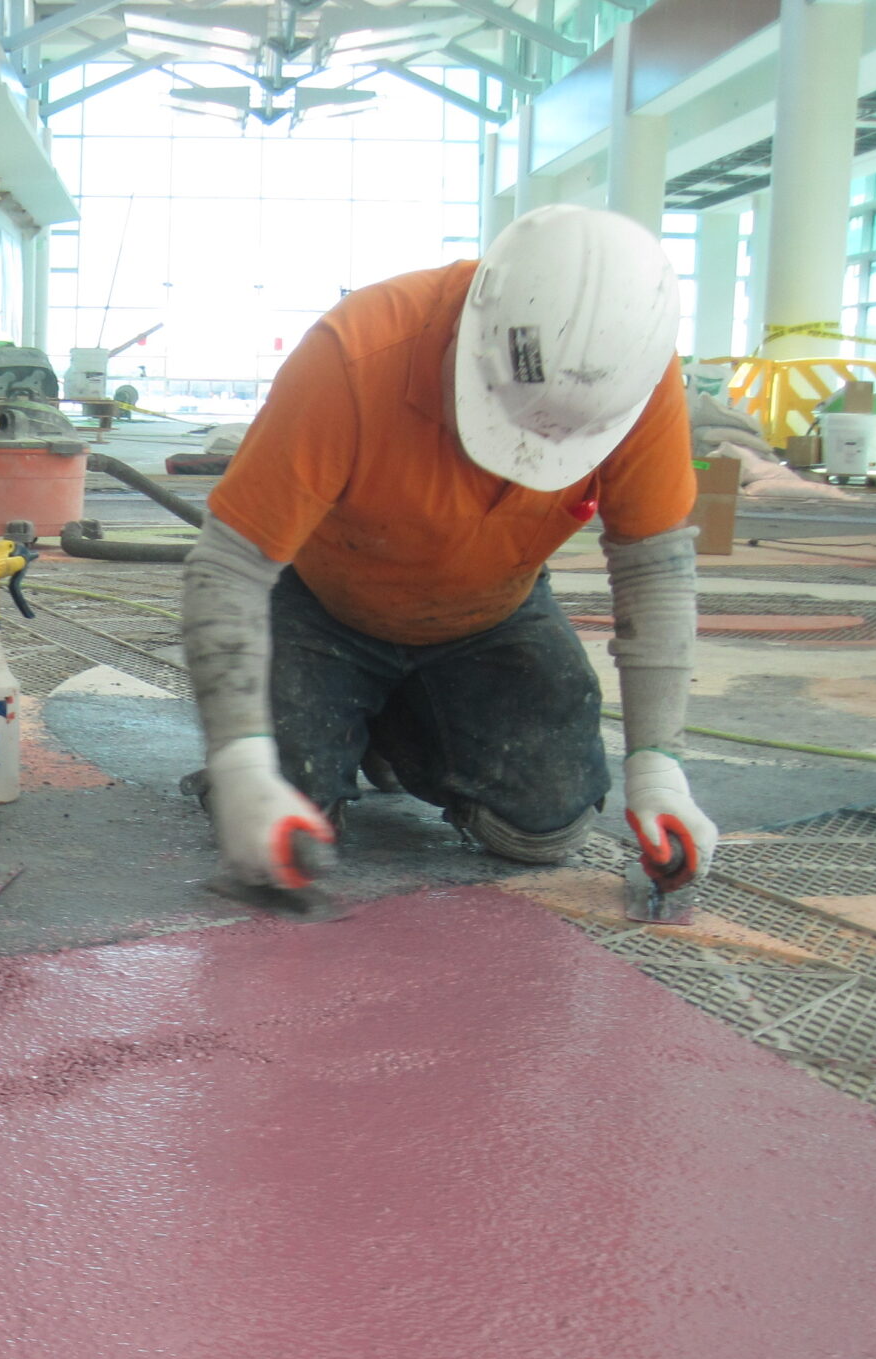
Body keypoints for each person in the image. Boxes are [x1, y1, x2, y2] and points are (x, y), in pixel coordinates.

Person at [183, 205, 717, 898]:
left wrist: (657, 767)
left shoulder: (624, 382)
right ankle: (344, 723)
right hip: (323, 609)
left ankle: (392, 725)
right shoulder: (353, 355)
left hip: (491, 613)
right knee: (286, 816)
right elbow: (227, 570)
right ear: (473, 322)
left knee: (542, 829)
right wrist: (242, 764)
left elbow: (654, 573)